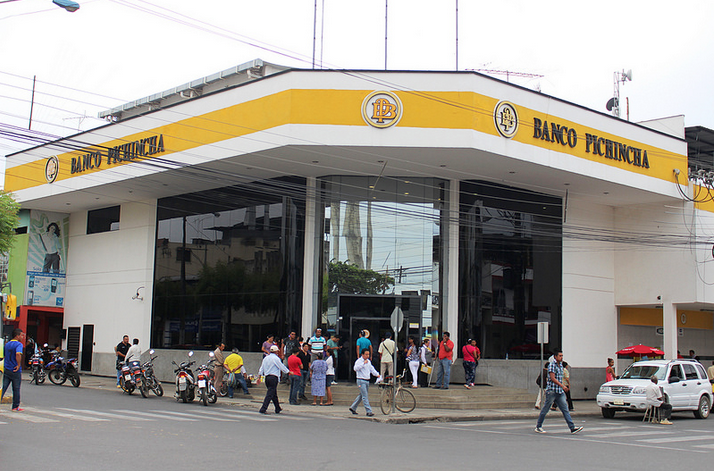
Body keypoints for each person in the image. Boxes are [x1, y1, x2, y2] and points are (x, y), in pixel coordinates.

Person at [534, 350, 583, 434]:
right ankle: (538, 426)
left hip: (559, 392)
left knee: (565, 409)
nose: (561, 357)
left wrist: (563, 386)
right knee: (545, 409)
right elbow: (552, 378)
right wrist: (562, 386)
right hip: (552, 391)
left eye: (562, 356)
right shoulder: (552, 365)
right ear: (555, 357)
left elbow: (560, 378)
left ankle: (572, 427)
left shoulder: (560, 365)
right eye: (560, 356)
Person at [257, 345, 289, 414]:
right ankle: (263, 408)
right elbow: (281, 366)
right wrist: (288, 372)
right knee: (270, 394)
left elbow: (261, 368)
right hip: (273, 377)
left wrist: (259, 376)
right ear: (276, 351)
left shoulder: (266, 358)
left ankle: (277, 408)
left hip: (267, 377)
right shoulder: (276, 358)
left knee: (273, 393)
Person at [349, 348, 381, 417]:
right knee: (365, 396)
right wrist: (363, 364)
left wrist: (377, 375)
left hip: (367, 380)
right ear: (362, 354)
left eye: (368, 354)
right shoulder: (359, 361)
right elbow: (355, 368)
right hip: (361, 380)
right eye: (366, 354)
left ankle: (353, 407)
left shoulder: (368, 362)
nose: (367, 356)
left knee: (362, 395)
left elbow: (372, 369)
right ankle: (368, 411)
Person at [1, 328, 25, 411]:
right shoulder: (18, 344)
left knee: (3, 387)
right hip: (15, 370)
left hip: (7, 368)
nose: (22, 337)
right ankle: (15, 406)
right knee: (16, 388)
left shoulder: (7, 344)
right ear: (17, 336)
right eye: (21, 335)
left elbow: (4, 355)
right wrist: (18, 365)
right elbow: (18, 354)